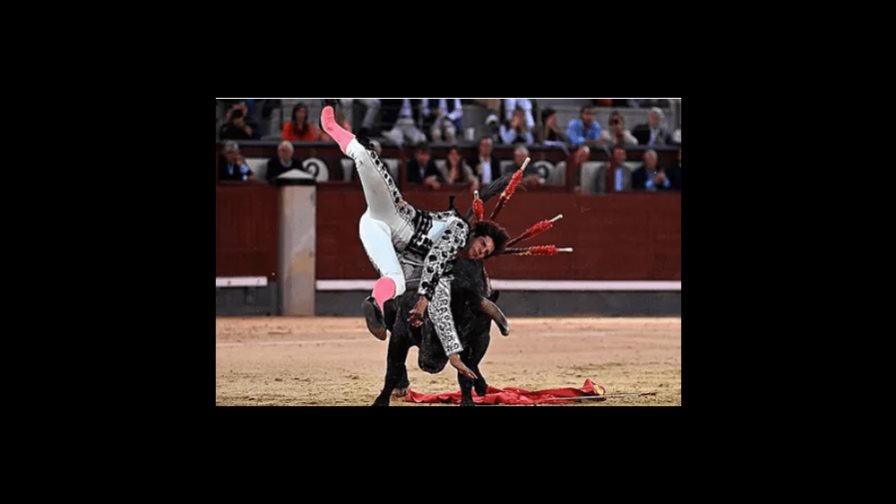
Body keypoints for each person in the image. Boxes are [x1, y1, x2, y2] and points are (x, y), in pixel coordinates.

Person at [320, 104, 509, 379]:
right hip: (394, 217)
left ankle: (374, 304)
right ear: (476, 235)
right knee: (364, 154)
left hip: (380, 236)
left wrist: (454, 355)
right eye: (483, 245)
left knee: (394, 279)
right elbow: (435, 260)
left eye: (486, 253)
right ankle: (330, 123)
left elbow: (441, 300)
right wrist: (422, 302)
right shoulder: (458, 229)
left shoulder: (453, 270)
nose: (481, 252)